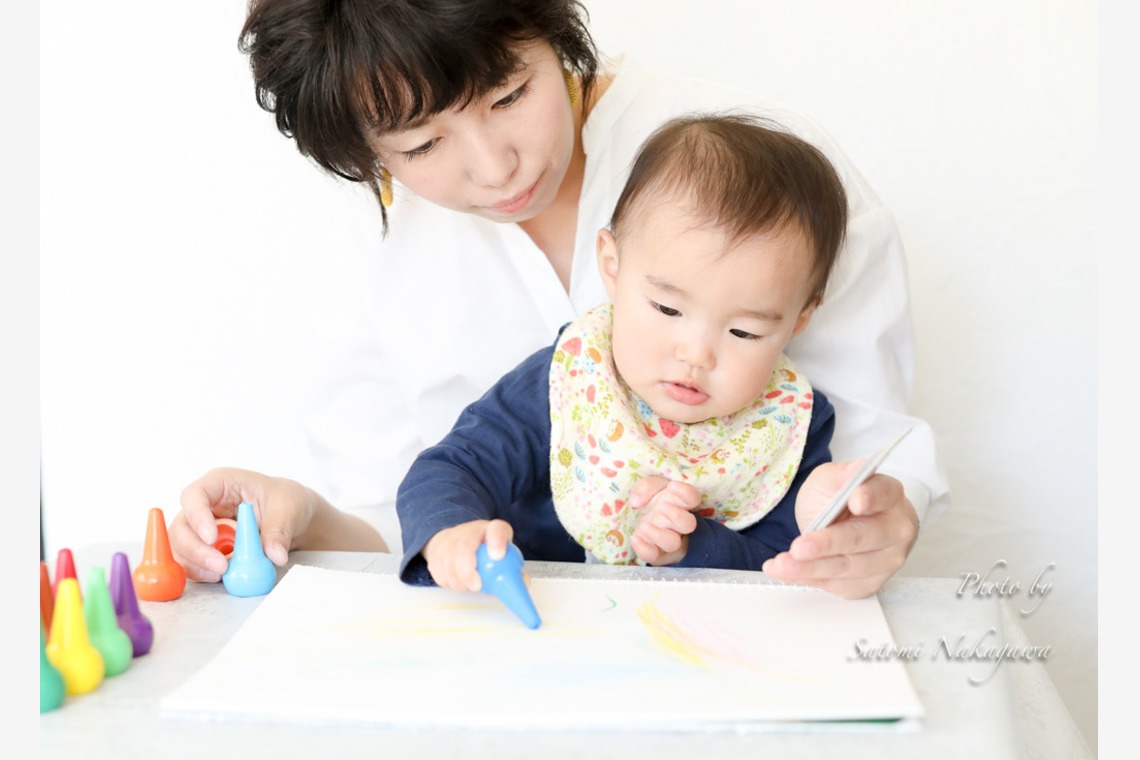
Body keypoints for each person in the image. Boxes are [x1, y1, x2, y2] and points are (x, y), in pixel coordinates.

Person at [171, 0, 948, 599]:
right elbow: (411, 532)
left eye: (509, 94)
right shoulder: (367, 254)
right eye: (420, 146)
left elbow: (861, 469)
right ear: (362, 153)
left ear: (554, 29)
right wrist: (304, 518)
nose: (494, 167)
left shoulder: (774, 188)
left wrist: (872, 522)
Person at [400, 113, 846, 590]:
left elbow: (780, 567)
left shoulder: (788, 423)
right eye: (668, 309)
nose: (696, 354)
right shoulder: (571, 378)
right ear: (612, 266)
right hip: (539, 615)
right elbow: (452, 468)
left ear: (798, 320)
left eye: (743, 333)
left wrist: (687, 547)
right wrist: (450, 533)